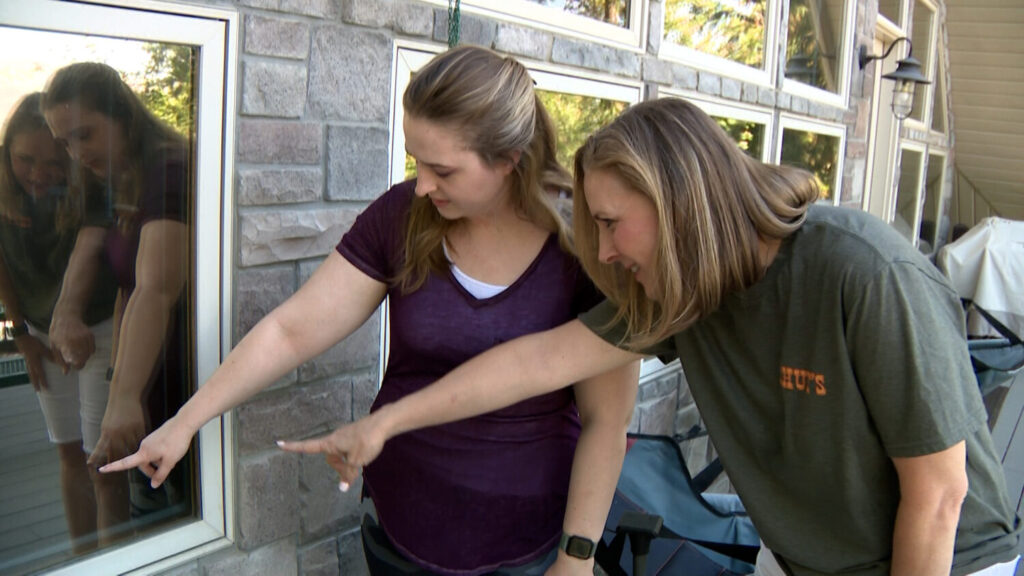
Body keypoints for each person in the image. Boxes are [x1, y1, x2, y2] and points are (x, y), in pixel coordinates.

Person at [259, 97, 1018, 575]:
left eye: (613, 224)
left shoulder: (859, 270)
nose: (608, 252)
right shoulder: (683, 289)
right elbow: (536, 361)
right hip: (798, 557)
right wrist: (386, 421)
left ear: (681, 201)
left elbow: (939, 496)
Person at [102, 45, 640, 575]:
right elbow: (292, 330)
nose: (422, 185)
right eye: (416, 162)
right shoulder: (406, 216)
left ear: (508, 160)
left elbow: (605, 420)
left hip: (530, 546)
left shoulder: (588, 244)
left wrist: (576, 557)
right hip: (401, 528)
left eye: (443, 170)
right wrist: (186, 420)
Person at [42, 62, 193, 520]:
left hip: (186, 373)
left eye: (84, 135)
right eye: (64, 141)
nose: (74, 152)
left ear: (123, 116)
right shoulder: (118, 176)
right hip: (152, 374)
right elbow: (127, 288)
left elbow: (155, 289)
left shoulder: (167, 170)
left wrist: (125, 397)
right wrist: (118, 386)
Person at [0, 92, 125, 552]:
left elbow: (88, 250)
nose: (38, 174)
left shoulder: (93, 189)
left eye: (54, 161)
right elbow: (3, 268)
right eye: (24, 160)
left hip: (99, 329)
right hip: (39, 335)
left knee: (103, 463)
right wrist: (21, 336)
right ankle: (81, 558)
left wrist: (66, 318)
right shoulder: (2, 194)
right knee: (69, 453)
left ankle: (117, 562)